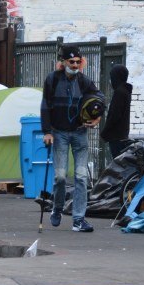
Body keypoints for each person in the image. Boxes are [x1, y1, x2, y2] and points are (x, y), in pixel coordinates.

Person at [40, 45, 102, 233]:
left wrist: (97, 116)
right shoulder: (52, 80)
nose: (75, 65)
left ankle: (78, 219)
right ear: (63, 62)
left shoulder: (84, 81)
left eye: (78, 62)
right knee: (60, 176)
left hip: (79, 133)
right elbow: (45, 106)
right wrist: (47, 132)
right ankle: (57, 208)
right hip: (58, 133)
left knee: (81, 177)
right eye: (71, 62)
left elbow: (99, 98)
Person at [101, 64, 132, 158]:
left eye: (112, 77)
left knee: (118, 162)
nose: (110, 81)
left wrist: (105, 132)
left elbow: (114, 115)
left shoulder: (119, 92)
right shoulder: (126, 91)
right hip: (122, 135)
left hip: (116, 136)